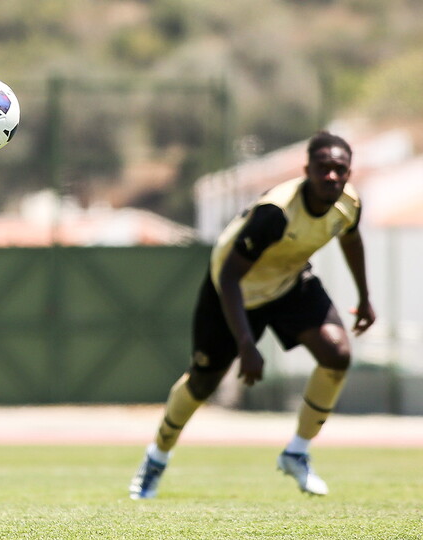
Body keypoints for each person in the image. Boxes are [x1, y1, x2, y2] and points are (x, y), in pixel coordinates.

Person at [130, 131, 375, 499]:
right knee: (202, 383)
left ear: (348, 172)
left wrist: (365, 297)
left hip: (288, 282)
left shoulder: (348, 203)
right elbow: (230, 276)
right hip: (231, 289)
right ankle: (157, 457)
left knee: (336, 354)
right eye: (323, 168)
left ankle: (297, 452)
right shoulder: (275, 214)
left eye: (340, 169)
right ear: (307, 170)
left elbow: (351, 238)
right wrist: (246, 344)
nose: (331, 177)